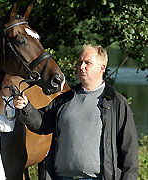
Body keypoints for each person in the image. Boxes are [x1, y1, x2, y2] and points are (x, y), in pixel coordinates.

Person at [14, 44, 139, 180]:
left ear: (102, 68)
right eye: (80, 62)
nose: (81, 67)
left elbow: (129, 152)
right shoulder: (64, 100)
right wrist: (26, 107)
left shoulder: (116, 103)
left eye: (88, 63)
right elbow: (42, 123)